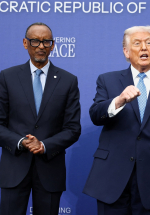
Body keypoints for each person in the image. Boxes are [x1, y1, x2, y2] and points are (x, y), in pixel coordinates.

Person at [83, 26, 150, 215]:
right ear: (126, 51)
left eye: (149, 43)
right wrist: (119, 100)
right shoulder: (108, 80)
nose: (144, 48)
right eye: (137, 43)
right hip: (112, 180)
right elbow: (95, 115)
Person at [0, 22, 81, 215]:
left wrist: (43, 145)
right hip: (14, 167)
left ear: (53, 45)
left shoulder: (68, 80)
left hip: (50, 168)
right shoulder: (7, 77)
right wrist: (21, 142)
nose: (41, 46)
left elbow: (72, 128)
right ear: (25, 43)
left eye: (46, 42)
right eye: (35, 41)